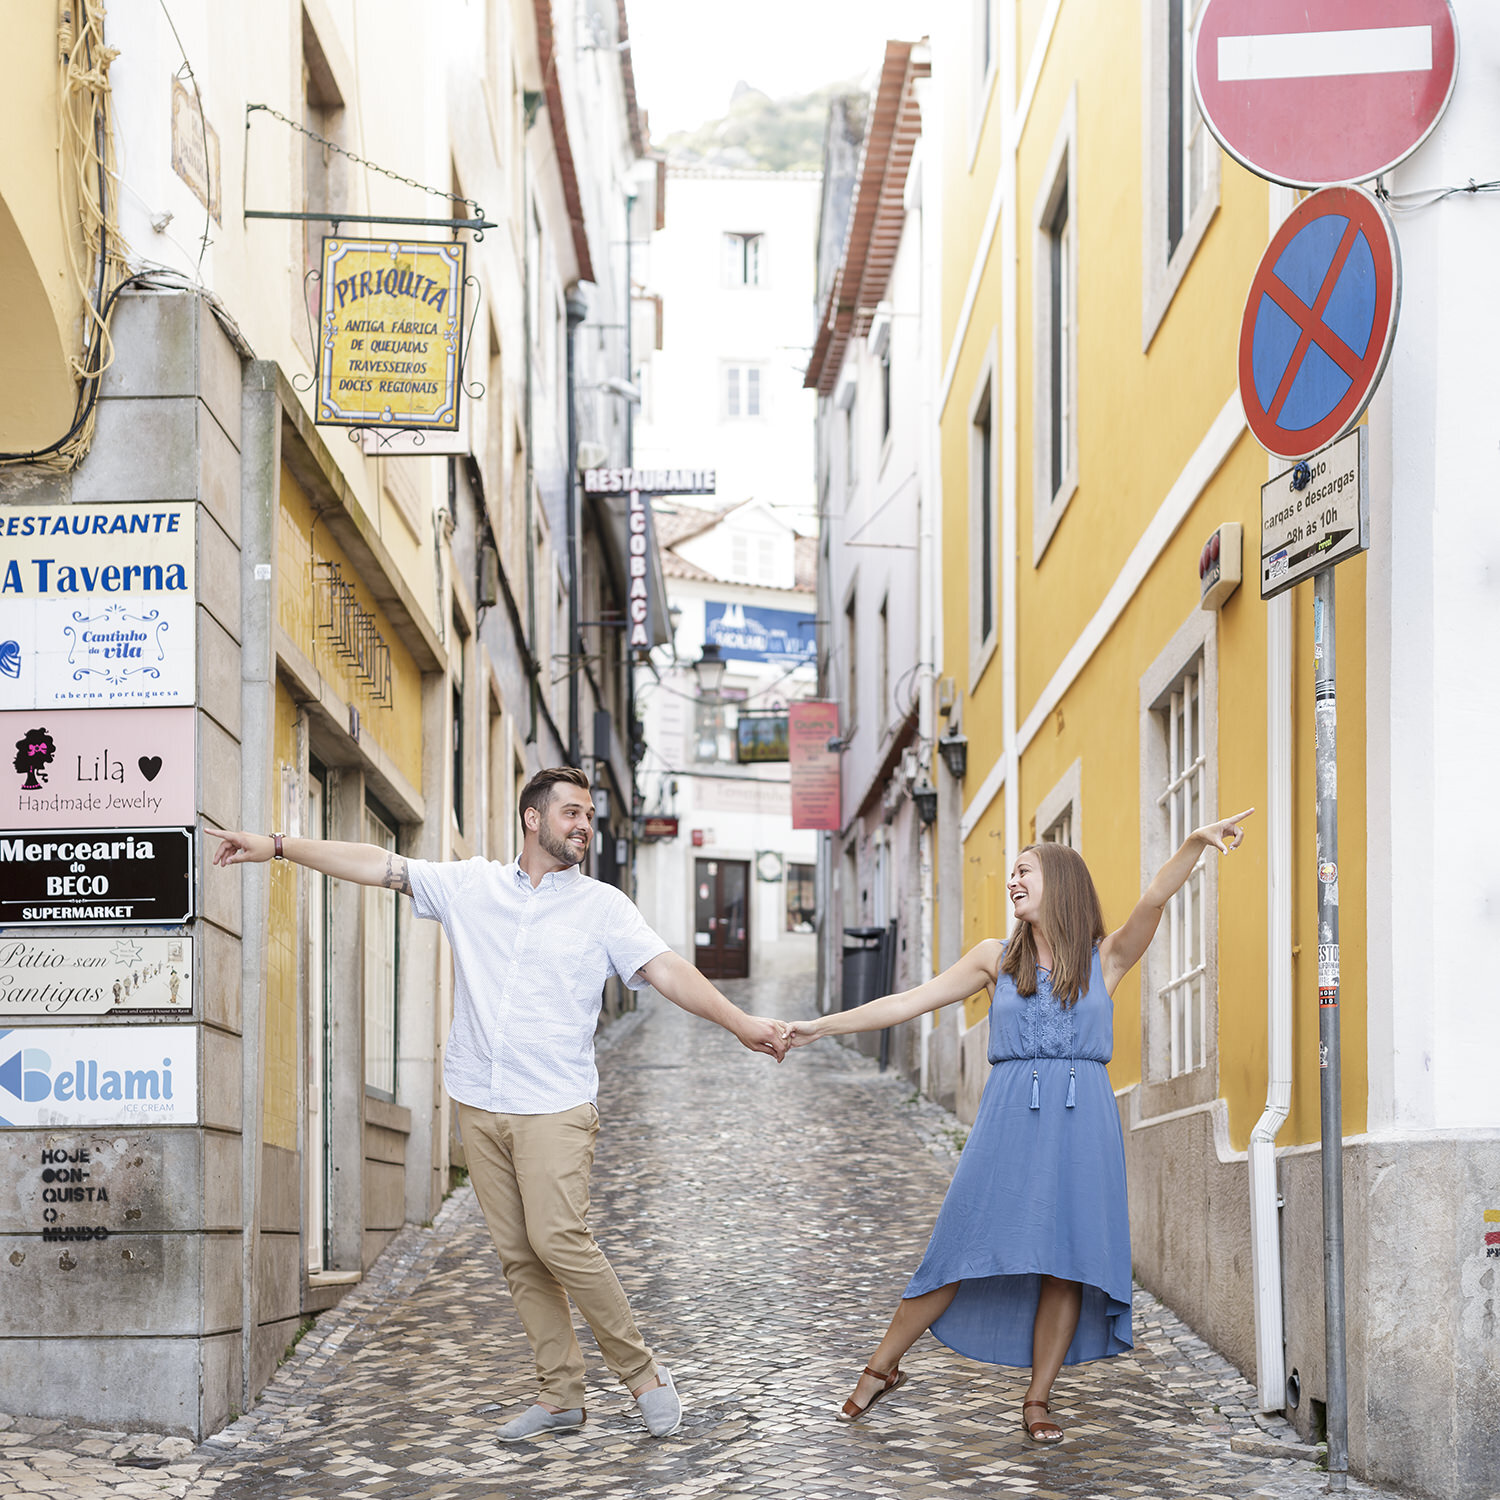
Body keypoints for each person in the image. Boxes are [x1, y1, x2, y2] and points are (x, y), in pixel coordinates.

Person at [209, 766, 787, 1443]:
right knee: (518, 1255)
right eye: (572, 812)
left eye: (590, 816)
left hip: (556, 1105)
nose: (584, 825)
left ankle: (643, 1374)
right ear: (533, 819)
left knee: (560, 1241)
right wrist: (279, 846)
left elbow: (666, 971)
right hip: (478, 1101)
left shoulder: (603, 906)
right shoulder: (471, 886)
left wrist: (740, 1022)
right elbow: (377, 864)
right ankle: (560, 1394)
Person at [785, 807, 1254, 1440]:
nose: (1012, 880)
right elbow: (907, 1001)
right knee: (959, 1244)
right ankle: (882, 1364)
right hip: (1008, 1119)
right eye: (1010, 872)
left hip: (1082, 1123)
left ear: (1058, 883)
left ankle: (1038, 1399)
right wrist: (822, 1027)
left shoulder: (1103, 959)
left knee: (1065, 1259)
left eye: (1024, 871)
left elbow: (1153, 901)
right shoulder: (992, 960)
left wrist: (1195, 844)